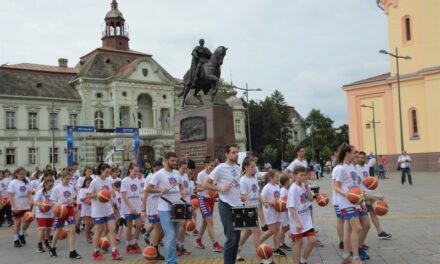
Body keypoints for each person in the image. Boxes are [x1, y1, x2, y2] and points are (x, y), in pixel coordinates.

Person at [203, 144, 243, 264]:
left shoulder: (238, 168)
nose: (236, 154)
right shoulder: (220, 168)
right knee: (231, 239)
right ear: (226, 154)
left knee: (236, 240)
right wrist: (220, 188)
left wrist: (243, 195)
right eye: (233, 152)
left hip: (238, 206)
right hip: (225, 205)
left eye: (237, 152)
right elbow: (205, 184)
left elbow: (239, 187)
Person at [147, 152, 185, 264]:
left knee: (174, 236)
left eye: (175, 161)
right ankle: (170, 261)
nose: (174, 163)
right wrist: (160, 190)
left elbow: (181, 184)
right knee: (170, 235)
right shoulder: (158, 174)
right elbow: (148, 188)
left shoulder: (177, 173)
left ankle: (172, 260)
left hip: (178, 207)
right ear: (166, 160)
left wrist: (182, 190)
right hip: (164, 208)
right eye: (172, 160)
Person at [333, 143, 364, 264]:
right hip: (345, 203)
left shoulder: (351, 167)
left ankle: (346, 257)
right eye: (354, 152)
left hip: (354, 202)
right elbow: (336, 187)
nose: (355, 154)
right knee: (358, 228)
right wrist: (348, 195)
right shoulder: (340, 168)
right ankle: (355, 257)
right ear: (347, 153)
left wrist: (360, 200)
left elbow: (354, 186)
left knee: (349, 229)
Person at [89, 163, 123, 261]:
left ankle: (114, 251)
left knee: (112, 229)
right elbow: (89, 196)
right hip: (98, 210)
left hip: (108, 209)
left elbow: (111, 193)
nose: (108, 174)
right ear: (101, 170)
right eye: (106, 172)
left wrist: (114, 202)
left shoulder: (108, 180)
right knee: (99, 232)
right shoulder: (94, 182)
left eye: (109, 172)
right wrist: (100, 194)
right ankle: (95, 252)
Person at [236, 157, 264, 262]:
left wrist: (263, 201)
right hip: (249, 210)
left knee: (248, 231)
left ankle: (237, 250)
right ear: (246, 167)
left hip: (255, 208)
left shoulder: (254, 178)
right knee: (257, 232)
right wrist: (249, 210)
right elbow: (243, 197)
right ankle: (261, 258)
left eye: (254, 166)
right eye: (252, 166)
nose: (254, 168)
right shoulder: (243, 180)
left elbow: (257, 193)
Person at [288, 166, 317, 264]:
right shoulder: (293, 189)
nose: (304, 177)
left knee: (313, 240)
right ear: (295, 175)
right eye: (301, 175)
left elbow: (311, 199)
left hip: (306, 219)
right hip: (297, 220)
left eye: (305, 175)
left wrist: (307, 187)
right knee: (298, 243)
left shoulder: (304, 186)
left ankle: (302, 260)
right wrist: (297, 222)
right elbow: (290, 208)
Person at [49, 171, 82, 259]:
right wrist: (58, 205)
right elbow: (52, 201)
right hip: (61, 211)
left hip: (69, 209)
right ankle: (52, 248)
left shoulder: (71, 186)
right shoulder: (57, 188)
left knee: (72, 229)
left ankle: (72, 251)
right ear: (62, 178)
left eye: (69, 179)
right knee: (58, 230)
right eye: (67, 179)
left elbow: (71, 197)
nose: (68, 180)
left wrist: (72, 201)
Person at [195, 157, 223, 252]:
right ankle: (215, 244)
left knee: (205, 222)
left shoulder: (214, 175)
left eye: (214, 166)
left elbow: (215, 187)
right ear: (206, 165)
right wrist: (206, 187)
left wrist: (215, 191)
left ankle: (198, 239)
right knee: (210, 221)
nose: (212, 167)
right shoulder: (201, 174)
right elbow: (197, 189)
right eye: (211, 165)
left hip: (211, 200)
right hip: (203, 199)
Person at [141, 160, 165, 260]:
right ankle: (155, 250)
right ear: (153, 169)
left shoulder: (163, 176)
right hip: (153, 207)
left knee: (164, 229)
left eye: (160, 169)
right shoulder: (150, 177)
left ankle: (153, 245)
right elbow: (145, 193)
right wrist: (143, 209)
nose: (158, 171)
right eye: (156, 170)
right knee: (157, 227)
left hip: (162, 206)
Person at [260, 170, 285, 256]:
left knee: (277, 230)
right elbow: (263, 200)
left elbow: (279, 198)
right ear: (271, 178)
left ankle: (276, 248)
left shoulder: (277, 186)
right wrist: (271, 203)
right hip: (270, 212)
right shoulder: (267, 187)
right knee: (271, 230)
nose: (278, 178)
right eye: (277, 177)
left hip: (277, 211)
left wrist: (282, 203)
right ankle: (258, 243)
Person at [120, 163, 143, 254]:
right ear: (130, 170)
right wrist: (131, 207)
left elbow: (140, 194)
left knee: (139, 225)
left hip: (137, 207)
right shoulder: (125, 180)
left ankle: (135, 244)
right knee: (129, 227)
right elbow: (124, 195)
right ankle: (128, 245)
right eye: (134, 171)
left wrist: (141, 205)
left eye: (137, 171)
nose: (136, 173)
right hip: (128, 208)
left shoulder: (138, 180)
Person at [8, 167, 32, 248]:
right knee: (17, 223)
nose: (22, 175)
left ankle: (22, 234)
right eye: (20, 174)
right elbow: (10, 196)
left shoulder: (27, 182)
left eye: (23, 174)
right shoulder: (13, 183)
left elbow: (29, 193)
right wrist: (13, 206)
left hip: (26, 206)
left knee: (28, 220)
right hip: (17, 206)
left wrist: (31, 201)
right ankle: (16, 240)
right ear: (17, 174)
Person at [33, 176, 55, 253]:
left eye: (52, 185)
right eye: (49, 185)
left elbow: (55, 201)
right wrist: (41, 205)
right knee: (42, 229)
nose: (51, 186)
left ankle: (46, 241)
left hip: (50, 213)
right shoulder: (40, 191)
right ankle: (39, 245)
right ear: (45, 183)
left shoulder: (53, 191)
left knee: (49, 228)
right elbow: (34, 201)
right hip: (41, 213)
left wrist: (53, 204)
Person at [176, 159, 193, 256]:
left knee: (184, 227)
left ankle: (182, 246)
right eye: (183, 168)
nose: (185, 170)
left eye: (186, 168)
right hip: (180, 204)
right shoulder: (176, 176)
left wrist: (190, 203)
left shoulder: (186, 176)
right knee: (181, 227)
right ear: (179, 167)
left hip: (187, 203)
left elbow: (187, 191)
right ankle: (177, 246)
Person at [78, 177, 93, 243]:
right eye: (88, 183)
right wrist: (88, 200)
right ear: (85, 183)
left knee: (94, 222)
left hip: (93, 208)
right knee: (87, 223)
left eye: (90, 183)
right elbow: (81, 199)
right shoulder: (83, 190)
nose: (89, 184)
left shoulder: (93, 190)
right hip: (86, 208)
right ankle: (87, 237)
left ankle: (88, 232)